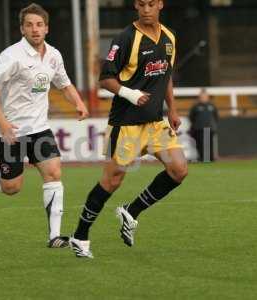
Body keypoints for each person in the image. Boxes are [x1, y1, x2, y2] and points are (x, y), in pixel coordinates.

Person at [69, 0, 188, 258]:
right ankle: (80, 236)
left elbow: (165, 75)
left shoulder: (169, 37)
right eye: (141, 4)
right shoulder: (124, 38)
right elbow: (105, 78)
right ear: (136, 6)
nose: (146, 9)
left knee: (179, 169)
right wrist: (130, 94)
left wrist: (173, 109)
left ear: (160, 5)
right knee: (111, 181)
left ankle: (131, 212)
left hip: (156, 122)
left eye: (151, 4)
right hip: (125, 124)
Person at [0, 3, 89, 248]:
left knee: (54, 172)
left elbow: (64, 83)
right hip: (10, 131)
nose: (35, 29)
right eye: (29, 25)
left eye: (39, 25)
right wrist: (3, 123)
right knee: (11, 188)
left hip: (39, 129)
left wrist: (78, 102)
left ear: (46, 28)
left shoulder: (54, 55)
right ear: (22, 29)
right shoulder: (11, 56)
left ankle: (54, 236)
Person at [189, 88, 219, 162]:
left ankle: (210, 158)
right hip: (199, 128)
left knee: (209, 144)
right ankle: (202, 158)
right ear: (199, 97)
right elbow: (191, 117)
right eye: (202, 96)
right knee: (200, 144)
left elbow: (216, 116)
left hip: (209, 128)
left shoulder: (212, 106)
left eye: (205, 96)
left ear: (207, 97)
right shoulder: (196, 107)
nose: (203, 98)